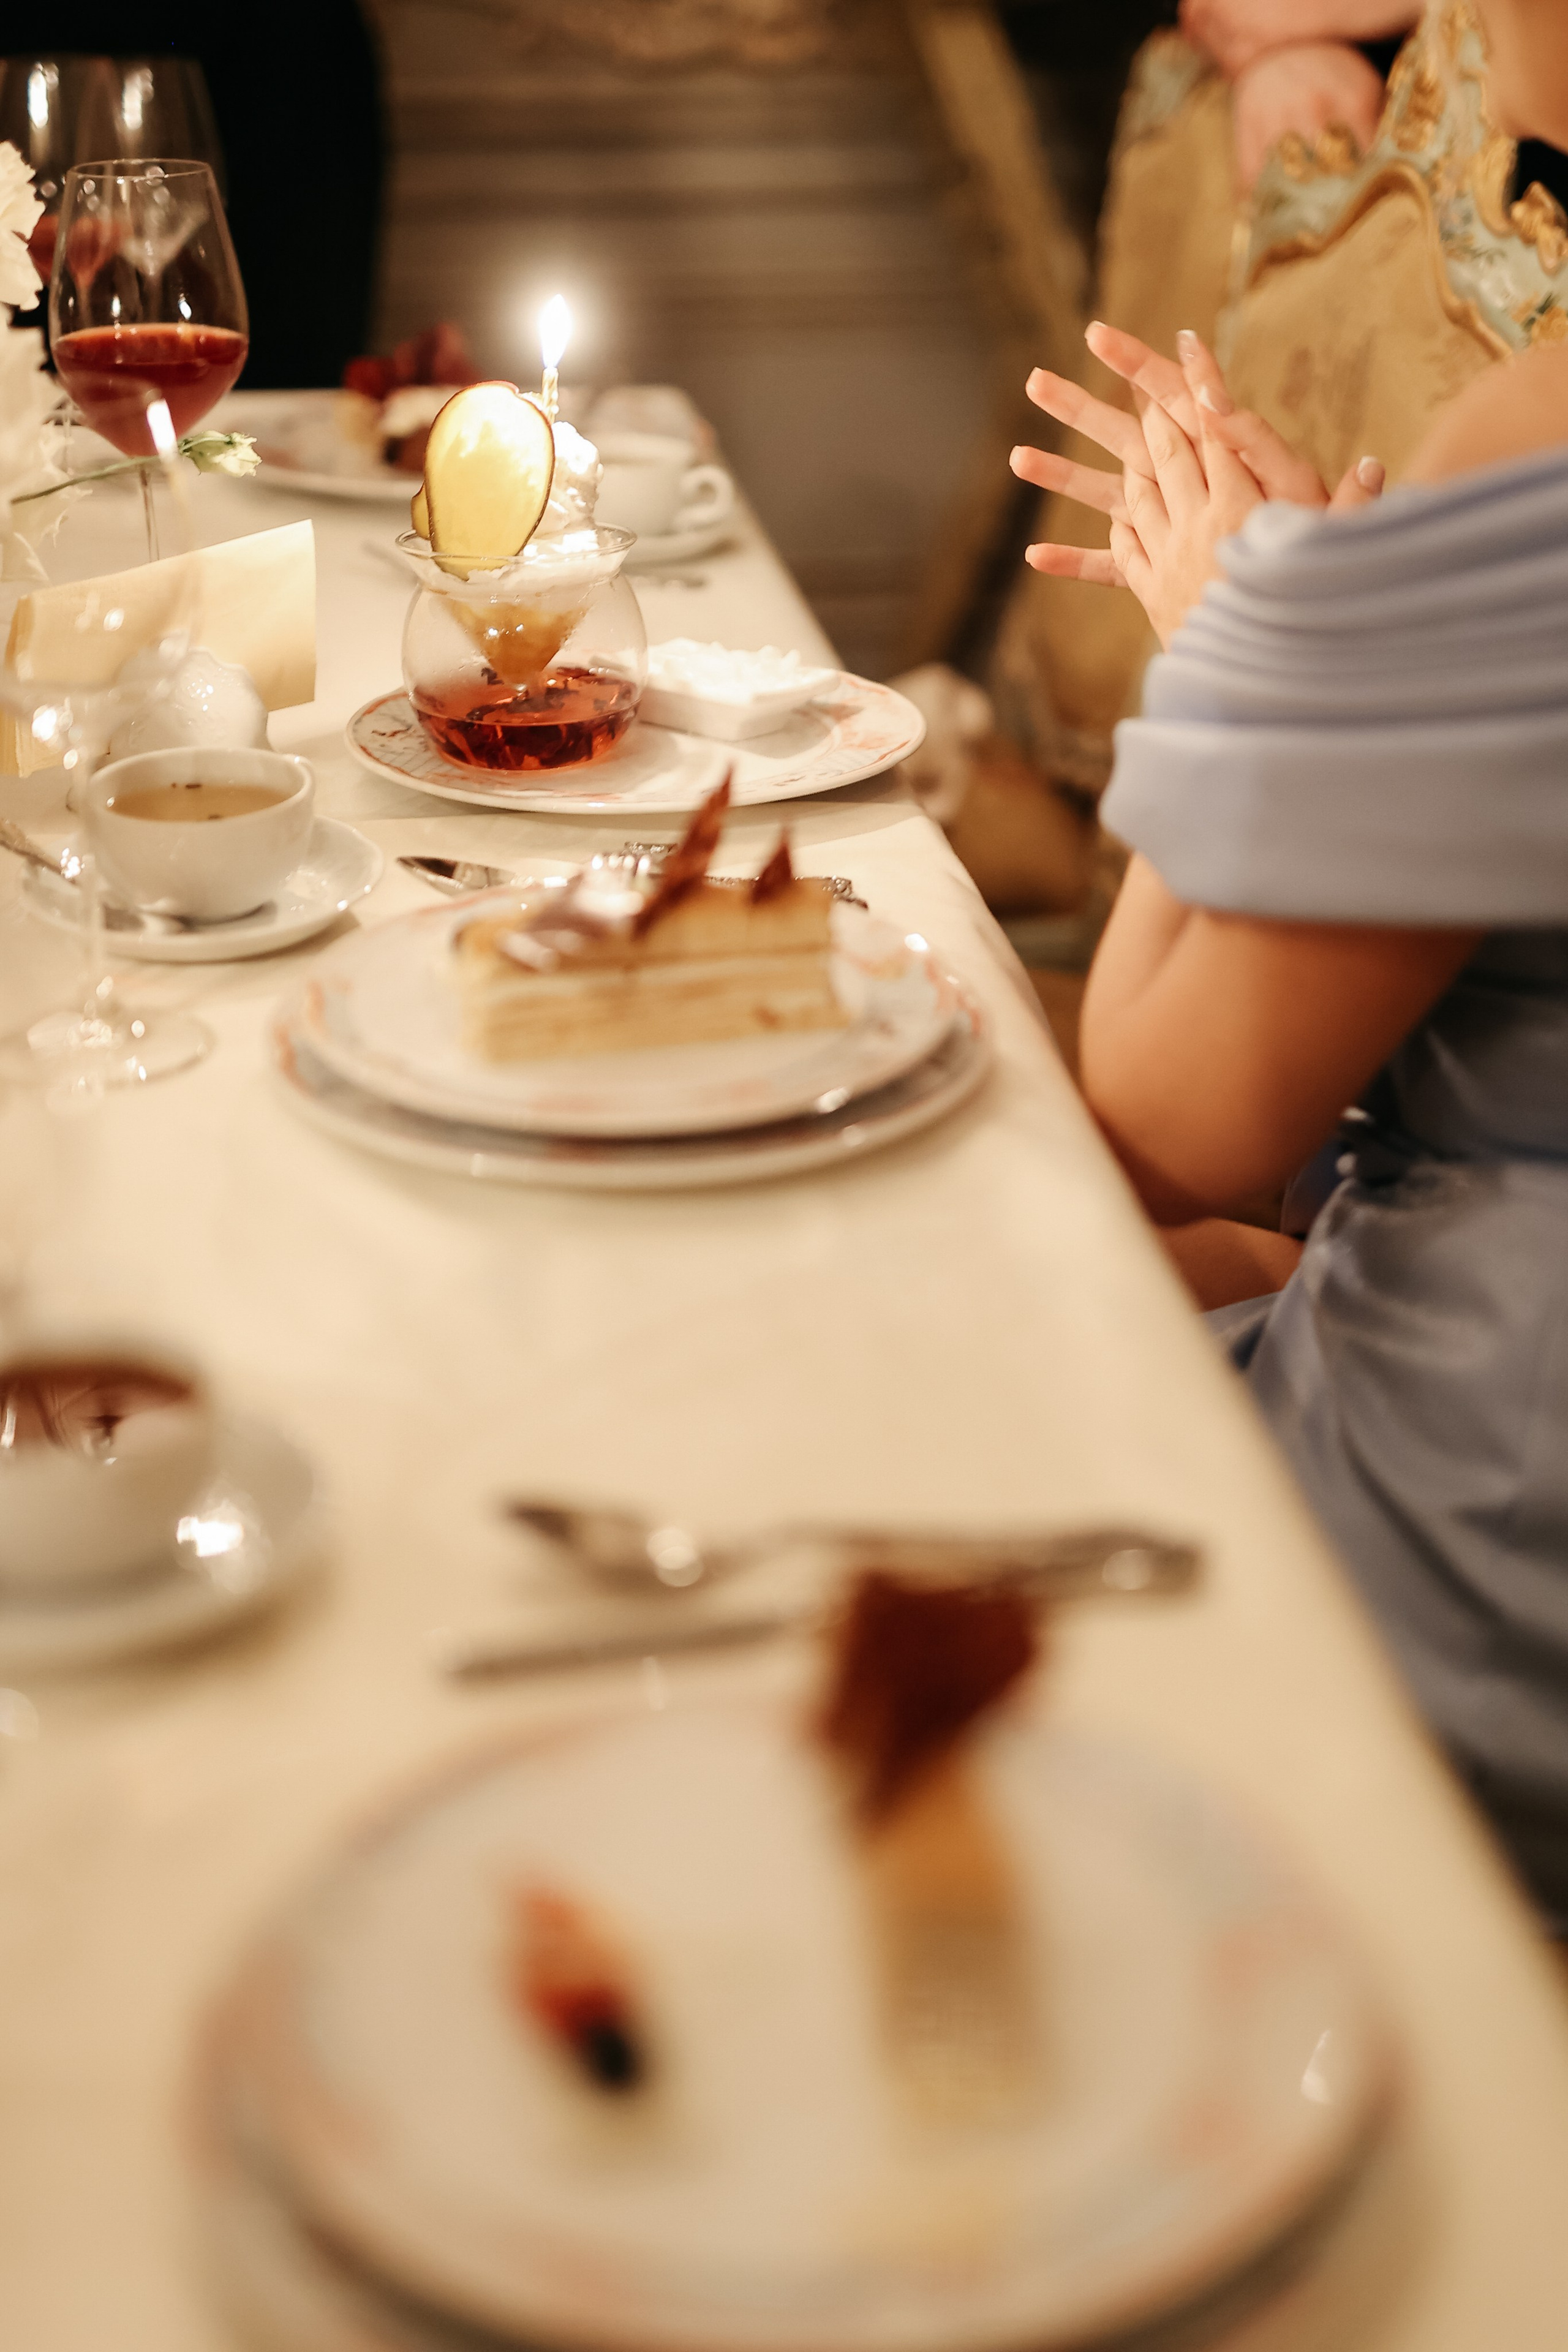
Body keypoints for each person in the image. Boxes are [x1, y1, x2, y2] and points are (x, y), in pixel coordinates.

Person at [1010, 0, 1568, 1927]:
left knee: (910, 1305)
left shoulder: (1537, 438)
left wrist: (1249, 641)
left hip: (1487, 1544)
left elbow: (1172, 1110)